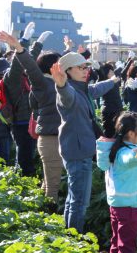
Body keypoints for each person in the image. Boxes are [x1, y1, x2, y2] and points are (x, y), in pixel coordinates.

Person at [52, 52, 121, 233]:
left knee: (73, 198)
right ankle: (75, 242)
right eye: (81, 68)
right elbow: (66, 96)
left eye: (86, 67)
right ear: (67, 71)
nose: (86, 71)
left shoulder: (82, 88)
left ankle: (68, 235)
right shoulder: (69, 90)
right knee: (79, 202)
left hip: (77, 149)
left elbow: (97, 89)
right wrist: (61, 84)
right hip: (77, 151)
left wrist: (113, 81)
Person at [0, 29, 62, 204]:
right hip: (20, 123)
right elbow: (24, 63)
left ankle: (34, 195)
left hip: (33, 123)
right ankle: (23, 189)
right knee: (24, 156)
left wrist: (34, 45)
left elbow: (30, 62)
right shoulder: (12, 77)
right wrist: (24, 42)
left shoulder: (33, 79)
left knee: (38, 161)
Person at [97, 111, 137, 253]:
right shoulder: (125, 153)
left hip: (117, 205)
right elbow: (130, 159)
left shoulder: (118, 148)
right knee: (127, 244)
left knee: (116, 240)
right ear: (131, 134)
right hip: (128, 208)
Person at [97, 63, 123, 138]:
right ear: (107, 73)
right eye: (111, 71)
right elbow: (100, 76)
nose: (113, 73)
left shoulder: (114, 82)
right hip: (109, 112)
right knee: (109, 133)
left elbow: (121, 70)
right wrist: (99, 69)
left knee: (117, 133)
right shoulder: (104, 82)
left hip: (117, 110)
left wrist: (121, 110)